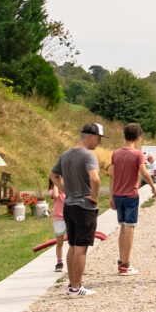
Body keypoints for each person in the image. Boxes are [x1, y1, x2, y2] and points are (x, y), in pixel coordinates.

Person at [51, 123, 106, 297]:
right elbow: (95, 179)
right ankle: (76, 288)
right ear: (90, 136)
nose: (99, 143)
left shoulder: (66, 154)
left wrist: (65, 189)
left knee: (72, 245)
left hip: (69, 206)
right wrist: (95, 197)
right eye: (98, 139)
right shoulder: (88, 155)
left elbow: (53, 175)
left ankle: (72, 284)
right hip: (84, 207)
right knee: (81, 248)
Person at [109, 123, 147, 276]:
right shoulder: (138, 154)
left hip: (117, 195)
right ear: (138, 138)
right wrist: (152, 185)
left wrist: (111, 196)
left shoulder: (115, 153)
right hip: (131, 195)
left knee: (123, 227)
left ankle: (121, 260)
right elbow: (144, 172)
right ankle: (125, 264)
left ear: (124, 136)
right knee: (130, 228)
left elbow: (111, 175)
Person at [48, 175, 67, 272]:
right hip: (58, 218)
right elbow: (55, 195)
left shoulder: (68, 187)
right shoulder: (53, 190)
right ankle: (59, 261)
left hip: (69, 217)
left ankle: (74, 260)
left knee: (73, 242)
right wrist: (55, 183)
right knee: (59, 242)